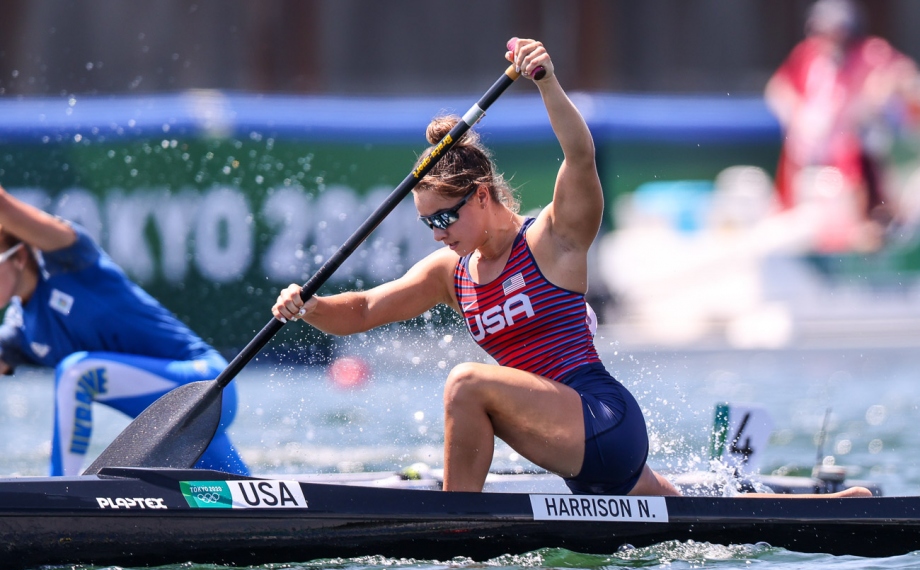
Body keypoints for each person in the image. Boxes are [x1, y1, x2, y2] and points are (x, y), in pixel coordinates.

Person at [273, 38, 680, 497]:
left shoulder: (552, 239)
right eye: (428, 223)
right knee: (695, 523)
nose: (438, 233)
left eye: (445, 218)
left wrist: (545, 81)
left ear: (482, 196)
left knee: (466, 382)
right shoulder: (452, 271)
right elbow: (365, 309)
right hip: (574, 454)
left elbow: (580, 157)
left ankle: (454, 521)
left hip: (601, 419)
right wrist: (307, 305)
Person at [0, 185, 249, 477]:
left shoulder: (70, 260)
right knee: (252, 506)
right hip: (174, 427)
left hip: (208, 386)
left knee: (75, 373)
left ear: (19, 258)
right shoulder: (19, 330)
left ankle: (60, 489)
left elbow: (6, 208)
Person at [765, 0, 920, 252]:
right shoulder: (807, 55)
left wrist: (879, 94)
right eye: (820, 31)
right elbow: (778, 89)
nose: (827, 39)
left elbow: (904, 77)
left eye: (835, 32)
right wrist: (798, 116)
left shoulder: (871, 54)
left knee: (871, 142)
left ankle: (873, 225)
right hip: (812, 163)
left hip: (858, 159)